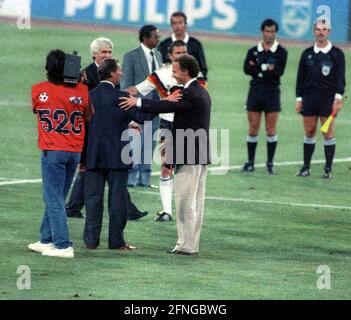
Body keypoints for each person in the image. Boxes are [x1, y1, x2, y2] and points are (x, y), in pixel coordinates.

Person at [120, 55, 211, 255]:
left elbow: (166, 106)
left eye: (176, 70)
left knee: (184, 203)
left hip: (189, 155)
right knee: (195, 203)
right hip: (199, 154)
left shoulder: (189, 93)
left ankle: (186, 245)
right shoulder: (199, 90)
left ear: (186, 72)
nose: (172, 73)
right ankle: (189, 244)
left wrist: (137, 103)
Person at [65, 37, 148, 221]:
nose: (107, 55)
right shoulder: (85, 75)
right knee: (98, 169)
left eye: (109, 52)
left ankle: (73, 206)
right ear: (94, 54)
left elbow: (114, 104)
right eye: (104, 52)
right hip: (91, 127)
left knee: (92, 169)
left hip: (103, 129)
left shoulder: (111, 73)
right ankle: (125, 209)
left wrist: (127, 121)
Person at [126, 40, 207, 222]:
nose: (182, 55)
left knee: (188, 171)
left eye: (184, 51)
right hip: (167, 125)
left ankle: (188, 211)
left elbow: (192, 100)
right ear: (170, 56)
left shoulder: (196, 76)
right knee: (166, 168)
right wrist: (113, 93)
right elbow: (137, 89)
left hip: (187, 127)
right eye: (178, 53)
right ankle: (167, 211)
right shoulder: (160, 75)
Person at [83, 59, 157, 250]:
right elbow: (142, 117)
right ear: (112, 74)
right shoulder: (122, 97)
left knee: (93, 200)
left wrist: (82, 159)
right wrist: (160, 103)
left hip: (93, 156)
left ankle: (91, 241)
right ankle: (116, 242)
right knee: (117, 201)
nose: (122, 74)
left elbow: (83, 129)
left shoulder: (88, 96)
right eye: (119, 71)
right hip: (118, 156)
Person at [28, 49, 90, 258]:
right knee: (58, 196)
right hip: (74, 151)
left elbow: (38, 108)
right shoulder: (82, 90)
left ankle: (63, 245)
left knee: (53, 198)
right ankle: (46, 239)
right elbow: (89, 114)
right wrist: (76, 84)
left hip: (53, 151)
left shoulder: (39, 90)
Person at [295, 18, 345, 179]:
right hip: (309, 98)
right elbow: (300, 78)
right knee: (309, 131)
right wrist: (299, 98)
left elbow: (340, 79)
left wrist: (337, 100)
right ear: (313, 31)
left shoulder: (337, 54)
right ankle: (306, 167)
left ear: (329, 32)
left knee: (328, 133)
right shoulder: (307, 54)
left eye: (324, 29)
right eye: (318, 29)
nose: (321, 32)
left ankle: (328, 169)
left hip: (327, 99)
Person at [241, 19, 288, 174]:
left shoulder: (281, 52)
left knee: (270, 128)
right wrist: (265, 68)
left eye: (272, 31)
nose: (270, 34)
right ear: (262, 32)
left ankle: (269, 163)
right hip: (255, 91)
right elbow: (246, 68)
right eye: (267, 31)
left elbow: (277, 72)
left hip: (272, 92)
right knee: (253, 127)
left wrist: (258, 68)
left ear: (276, 32)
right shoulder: (253, 50)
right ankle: (250, 162)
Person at [121, 25, 162, 188]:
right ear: (145, 38)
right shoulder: (131, 56)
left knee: (150, 141)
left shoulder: (158, 55)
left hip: (155, 105)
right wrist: (129, 105)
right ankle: (131, 176)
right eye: (155, 36)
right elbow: (126, 83)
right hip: (137, 105)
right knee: (134, 141)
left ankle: (145, 176)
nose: (158, 39)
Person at [158, 11, 208, 80]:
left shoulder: (195, 44)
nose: (178, 26)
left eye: (180, 23)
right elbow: (158, 67)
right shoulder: (164, 45)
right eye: (175, 23)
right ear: (171, 25)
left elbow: (203, 68)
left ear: (185, 24)